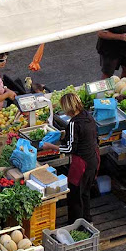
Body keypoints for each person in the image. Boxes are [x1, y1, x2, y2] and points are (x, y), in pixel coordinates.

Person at [42, 93, 100, 224]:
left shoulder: (74, 123)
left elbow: (70, 149)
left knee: (75, 195)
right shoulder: (87, 116)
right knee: (85, 193)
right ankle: (87, 221)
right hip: (93, 159)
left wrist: (50, 146)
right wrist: (64, 137)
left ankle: (76, 225)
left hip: (82, 164)